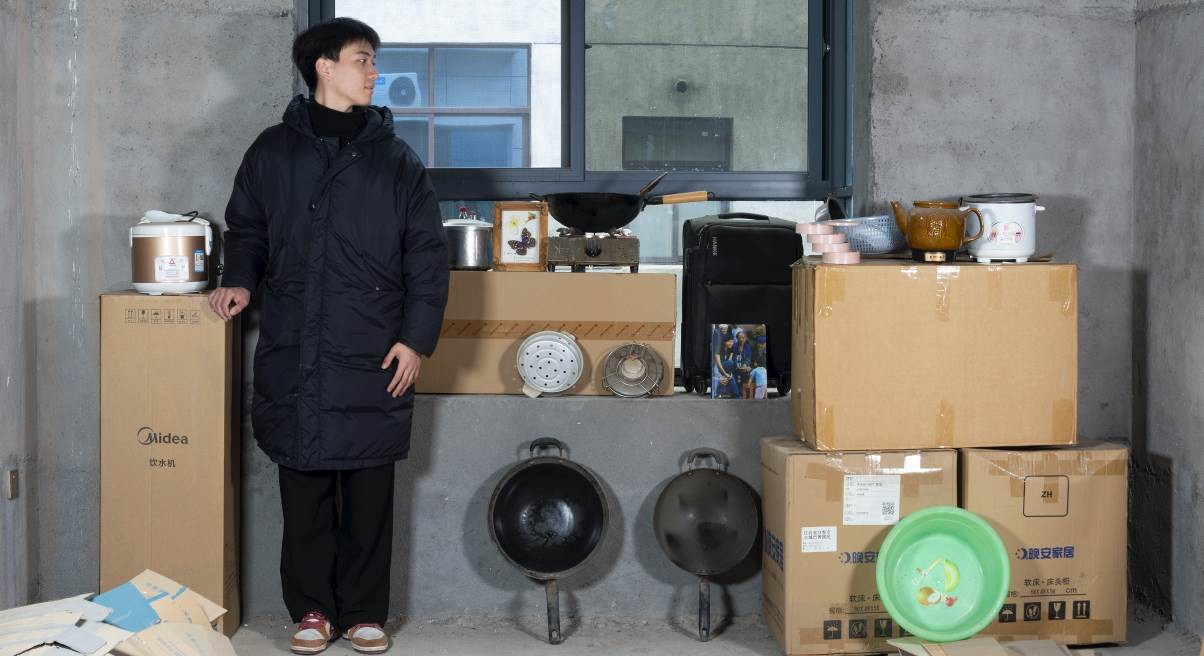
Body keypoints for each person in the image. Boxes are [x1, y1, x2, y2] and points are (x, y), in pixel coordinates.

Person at [208, 17, 449, 655]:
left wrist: (416, 340)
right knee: (305, 487)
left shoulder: (397, 161)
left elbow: (427, 257)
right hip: (296, 344)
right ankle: (312, 610)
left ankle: (365, 612)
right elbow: (248, 227)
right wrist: (239, 281)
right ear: (324, 66)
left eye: (373, 61)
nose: (374, 72)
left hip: (374, 348)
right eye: (362, 59)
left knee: (369, 489)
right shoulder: (272, 151)